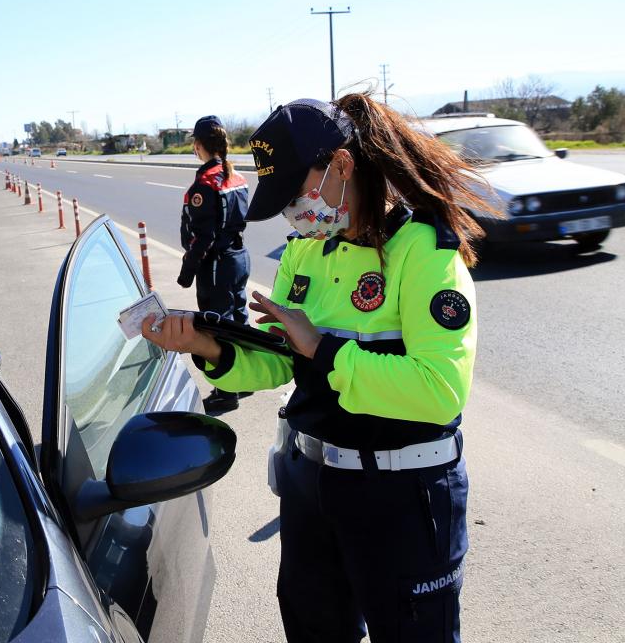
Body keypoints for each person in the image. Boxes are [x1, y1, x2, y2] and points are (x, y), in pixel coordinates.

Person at [143, 95, 498, 642]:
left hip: (402, 494)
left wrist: (323, 350)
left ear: (341, 166)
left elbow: (439, 392)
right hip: (312, 488)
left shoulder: (425, 252)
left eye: (294, 194)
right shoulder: (306, 252)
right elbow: (276, 360)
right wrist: (212, 348)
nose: (292, 213)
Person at [178, 114, 251, 412]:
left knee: (217, 327)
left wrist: (187, 272)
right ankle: (244, 379)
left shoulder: (204, 185)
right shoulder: (237, 176)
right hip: (239, 259)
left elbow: (203, 237)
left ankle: (226, 390)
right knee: (239, 319)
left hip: (218, 264)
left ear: (198, 146)